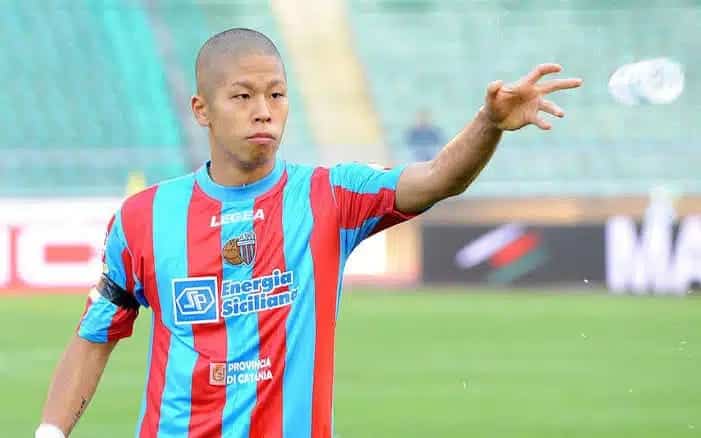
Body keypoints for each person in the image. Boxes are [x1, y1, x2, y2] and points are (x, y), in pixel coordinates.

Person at [36, 28, 581, 438]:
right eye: (243, 96)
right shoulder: (144, 218)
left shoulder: (330, 196)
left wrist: (488, 124)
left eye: (276, 95)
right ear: (202, 109)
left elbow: (439, 178)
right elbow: (96, 335)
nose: (264, 112)